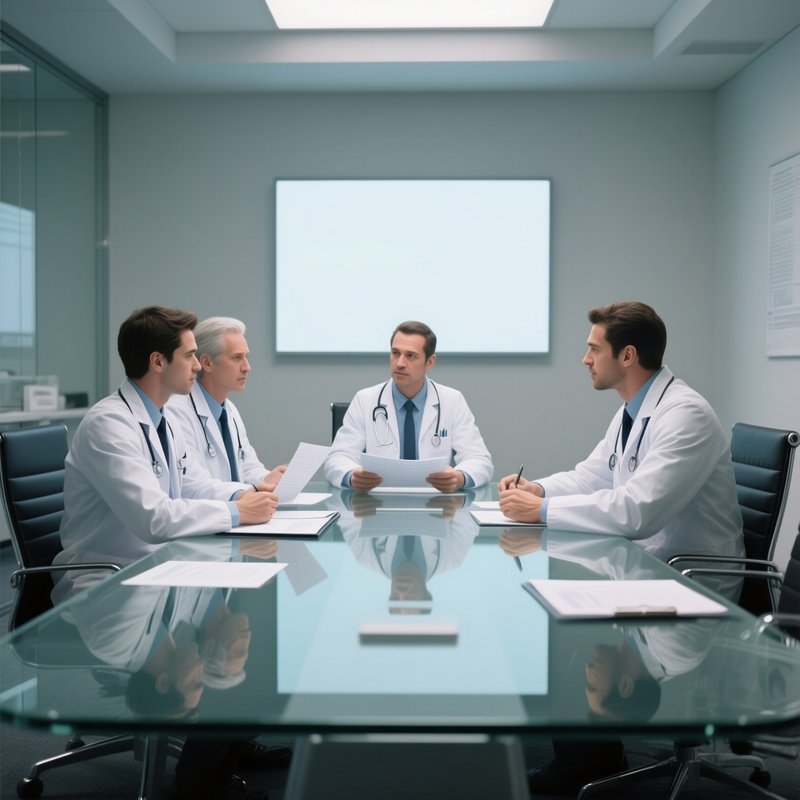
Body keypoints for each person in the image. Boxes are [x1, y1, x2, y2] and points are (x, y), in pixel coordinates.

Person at [52, 306, 279, 606]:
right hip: (107, 583)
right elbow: (154, 518)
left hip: (157, 568)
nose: (198, 366)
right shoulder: (108, 425)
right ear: (158, 361)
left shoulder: (163, 420)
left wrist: (247, 494)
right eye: (189, 356)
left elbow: (193, 485)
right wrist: (238, 512)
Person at [498, 301, 744, 570]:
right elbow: (593, 477)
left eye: (594, 349)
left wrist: (542, 509)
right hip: (645, 565)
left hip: (693, 578)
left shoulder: (686, 415)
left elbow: (638, 511)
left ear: (627, 356)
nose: (585, 359)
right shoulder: (634, 409)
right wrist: (539, 490)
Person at [324, 320, 493, 492]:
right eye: (395, 353)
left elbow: (480, 460)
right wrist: (351, 476)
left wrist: (460, 478)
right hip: (376, 508)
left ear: (430, 362)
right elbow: (337, 458)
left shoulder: (452, 400)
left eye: (410, 356)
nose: (400, 363)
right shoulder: (365, 400)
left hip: (436, 508)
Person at [168, 316, 286, 491]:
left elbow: (249, 468)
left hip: (238, 511)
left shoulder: (229, 409)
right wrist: (252, 492)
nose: (247, 367)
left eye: (246, 357)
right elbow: (192, 486)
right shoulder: (176, 412)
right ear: (206, 363)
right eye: (237, 357)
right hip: (211, 514)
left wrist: (268, 479)